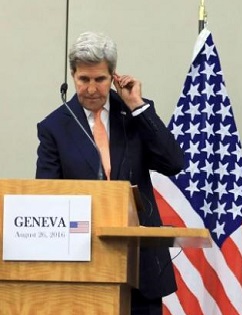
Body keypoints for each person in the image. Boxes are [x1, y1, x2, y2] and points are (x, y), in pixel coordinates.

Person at [36, 31, 184, 315]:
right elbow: (47, 196)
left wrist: (137, 106)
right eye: (84, 80)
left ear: (114, 77)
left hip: (141, 265)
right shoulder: (54, 127)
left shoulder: (133, 113)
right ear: (72, 76)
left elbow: (174, 162)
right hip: (83, 263)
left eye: (100, 79)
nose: (91, 89)